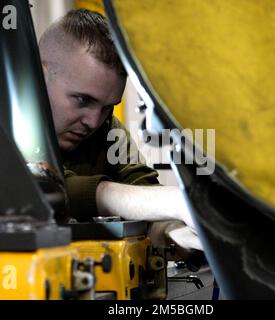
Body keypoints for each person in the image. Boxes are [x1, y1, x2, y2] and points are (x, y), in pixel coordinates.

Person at [38, 9, 202, 251]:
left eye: (107, 107)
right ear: (41, 76)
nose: (93, 122)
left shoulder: (105, 128)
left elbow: (142, 189)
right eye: (83, 100)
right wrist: (176, 202)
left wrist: (169, 230)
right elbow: (44, 191)